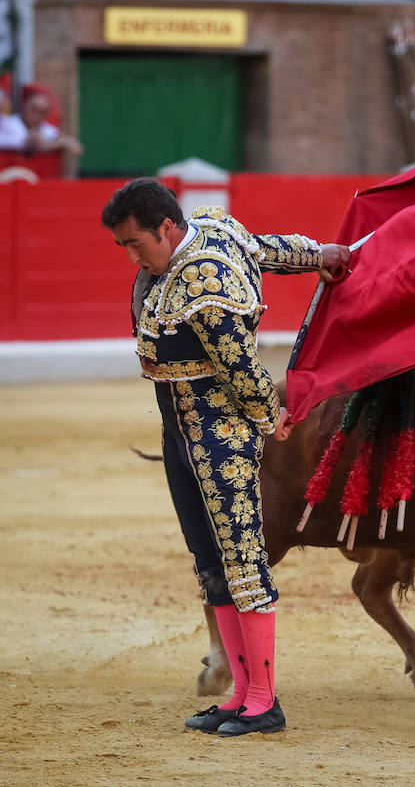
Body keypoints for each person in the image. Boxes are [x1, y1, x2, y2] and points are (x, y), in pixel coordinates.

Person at [101, 178, 350, 737]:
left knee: (243, 560)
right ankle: (240, 694)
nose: (132, 256)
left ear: (167, 227)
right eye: (124, 246)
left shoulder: (202, 278)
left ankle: (264, 701)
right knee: (211, 563)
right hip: (179, 435)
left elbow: (239, 365)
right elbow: (264, 245)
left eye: (135, 243)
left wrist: (269, 418)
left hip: (221, 436)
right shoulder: (211, 227)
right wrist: (319, 255)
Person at [0, 88, 83, 174]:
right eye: (34, 109)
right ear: (24, 107)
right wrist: (56, 143)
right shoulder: (7, 123)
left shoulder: (46, 129)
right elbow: (29, 143)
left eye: (42, 112)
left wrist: (63, 142)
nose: (37, 114)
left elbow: (75, 147)